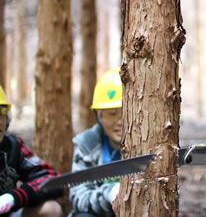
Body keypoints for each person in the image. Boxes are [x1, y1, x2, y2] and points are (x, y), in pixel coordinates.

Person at [0, 85, 63, 217]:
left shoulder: (12, 146)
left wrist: (14, 198)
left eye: (1, 113)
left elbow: (50, 178)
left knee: (51, 209)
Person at [69, 68, 122, 217]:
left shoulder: (145, 145)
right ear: (100, 116)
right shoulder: (86, 144)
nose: (120, 121)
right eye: (112, 114)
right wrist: (109, 194)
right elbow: (78, 196)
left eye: (126, 113)